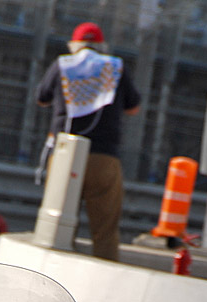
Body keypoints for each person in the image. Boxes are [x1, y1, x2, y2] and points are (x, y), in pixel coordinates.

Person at [35, 21, 141, 261]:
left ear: (74, 45)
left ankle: (52, 276)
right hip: (103, 157)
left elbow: (41, 99)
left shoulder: (62, 65)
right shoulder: (116, 67)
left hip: (65, 157)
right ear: (102, 46)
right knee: (105, 231)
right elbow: (134, 108)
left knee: (58, 227)